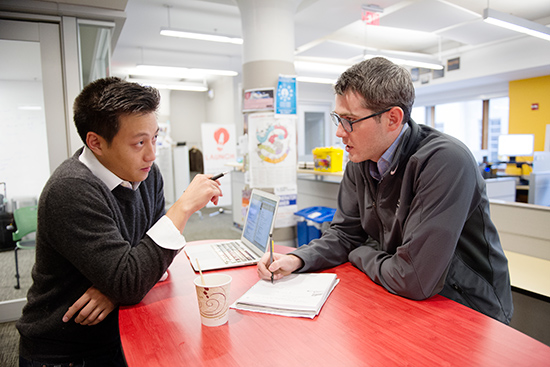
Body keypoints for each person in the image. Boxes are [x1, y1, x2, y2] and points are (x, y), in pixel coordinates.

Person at [258, 57, 513, 324]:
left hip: (464, 307)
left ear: (393, 118)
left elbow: (412, 276)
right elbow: (346, 234)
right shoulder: (361, 159)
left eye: (349, 120)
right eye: (338, 118)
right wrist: (298, 259)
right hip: (402, 298)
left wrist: (361, 252)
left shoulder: (444, 161)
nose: (339, 132)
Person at [17, 77, 223, 366]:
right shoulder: (71, 189)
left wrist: (115, 289)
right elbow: (135, 274)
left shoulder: (147, 173)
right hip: (67, 351)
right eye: (139, 142)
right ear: (96, 143)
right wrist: (184, 205)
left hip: (123, 327)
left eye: (154, 138)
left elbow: (151, 261)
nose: (151, 153)